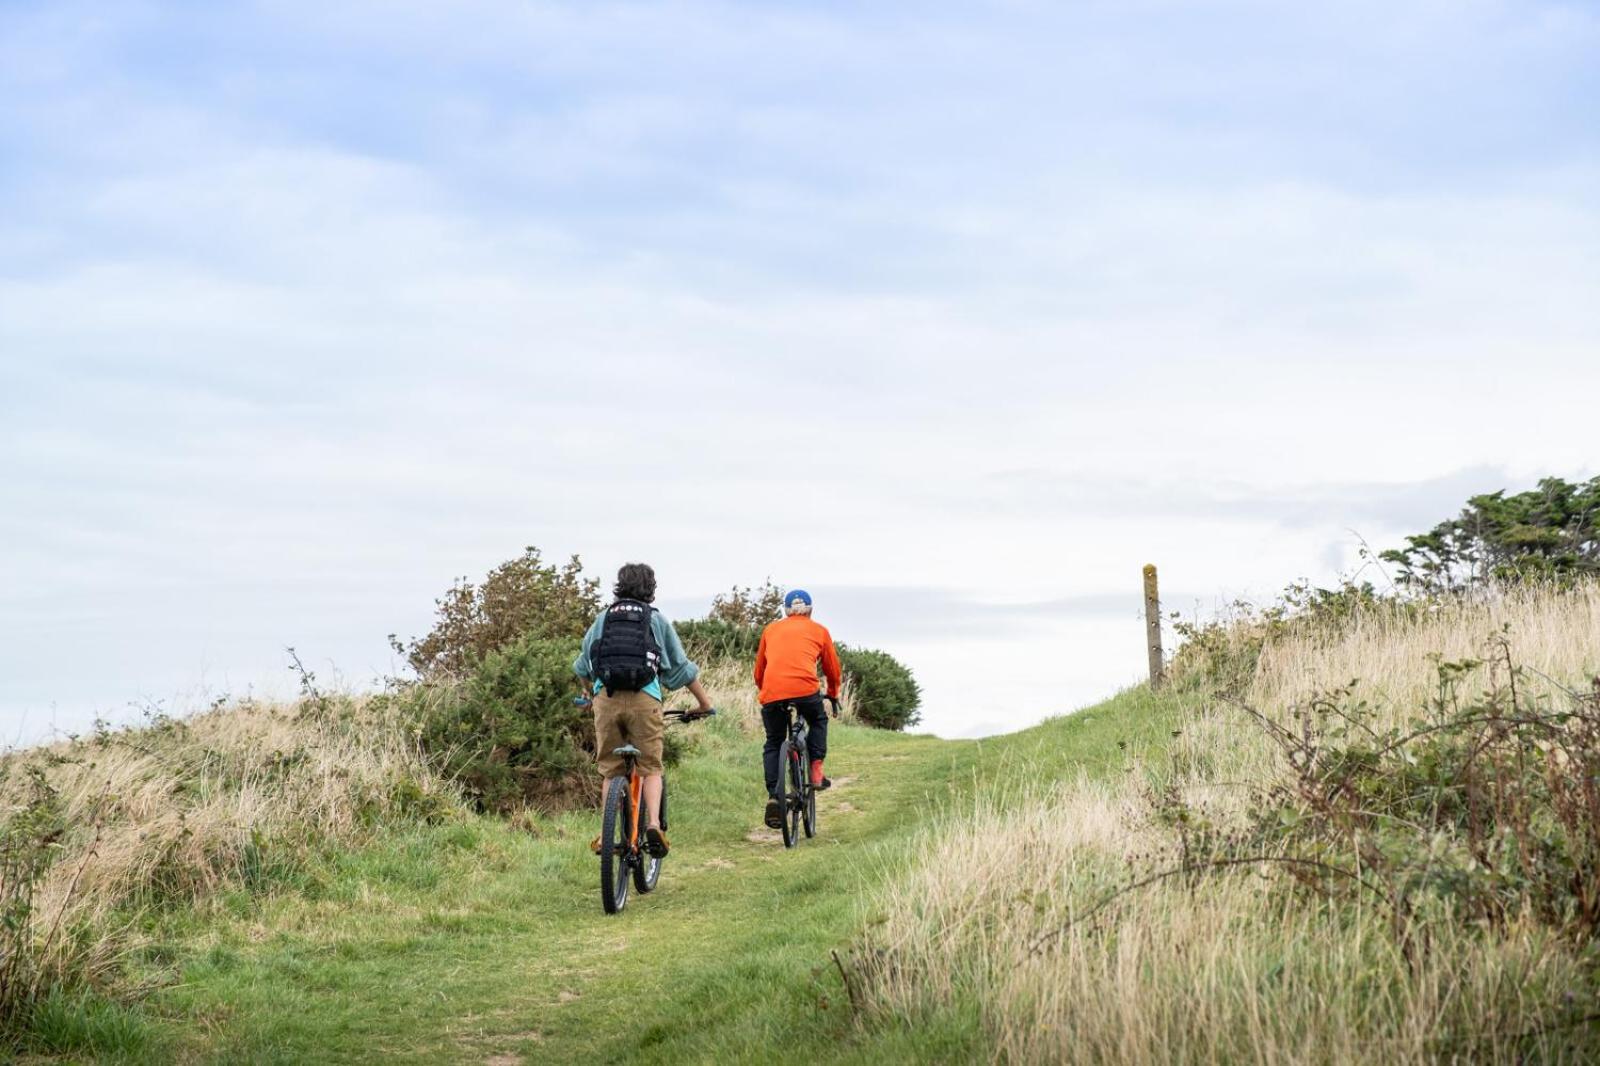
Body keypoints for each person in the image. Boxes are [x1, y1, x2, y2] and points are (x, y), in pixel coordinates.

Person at [574, 562, 714, 858]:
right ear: (650, 589)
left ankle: (604, 832)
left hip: (606, 701)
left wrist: (589, 693)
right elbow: (682, 668)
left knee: (611, 771)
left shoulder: (603, 619)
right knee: (651, 767)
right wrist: (704, 704)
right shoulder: (656, 620)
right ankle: (652, 825)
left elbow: (581, 665)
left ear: (619, 586)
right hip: (644, 701)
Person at [754, 589, 842, 830]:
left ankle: (774, 795)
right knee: (818, 720)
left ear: (785, 611)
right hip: (806, 691)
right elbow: (833, 669)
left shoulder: (770, 630)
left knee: (774, 741)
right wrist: (833, 694)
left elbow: (759, 671)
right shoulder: (819, 631)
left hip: (772, 693)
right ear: (810, 611)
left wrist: (768, 692)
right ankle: (815, 771)